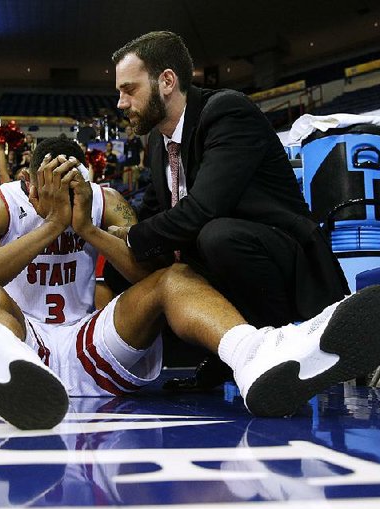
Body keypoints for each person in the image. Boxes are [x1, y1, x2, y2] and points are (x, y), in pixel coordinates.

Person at [0, 137, 380, 430]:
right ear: (28, 181)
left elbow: (152, 278)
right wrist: (50, 228)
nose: (65, 191)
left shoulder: (106, 201)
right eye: (51, 183)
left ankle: (257, 357)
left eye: (73, 180)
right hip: (25, 340)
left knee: (175, 278)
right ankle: (4, 372)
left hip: (86, 341)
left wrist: (87, 229)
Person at [111, 31, 350, 390]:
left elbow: (203, 209)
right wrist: (100, 225)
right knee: (130, 265)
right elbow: (151, 215)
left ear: (167, 81)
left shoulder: (226, 111)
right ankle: (226, 356)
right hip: (224, 260)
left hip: (281, 258)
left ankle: (279, 349)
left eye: (129, 89)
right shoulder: (159, 144)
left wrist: (130, 236)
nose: (121, 102)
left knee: (215, 236)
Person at [121, 125, 144, 192]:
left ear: (132, 130)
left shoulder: (137, 140)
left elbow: (141, 151)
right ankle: (127, 196)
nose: (127, 131)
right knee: (125, 181)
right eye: (126, 130)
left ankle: (135, 196)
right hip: (127, 164)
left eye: (129, 129)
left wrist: (141, 162)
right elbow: (124, 154)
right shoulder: (126, 142)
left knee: (135, 180)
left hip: (135, 163)